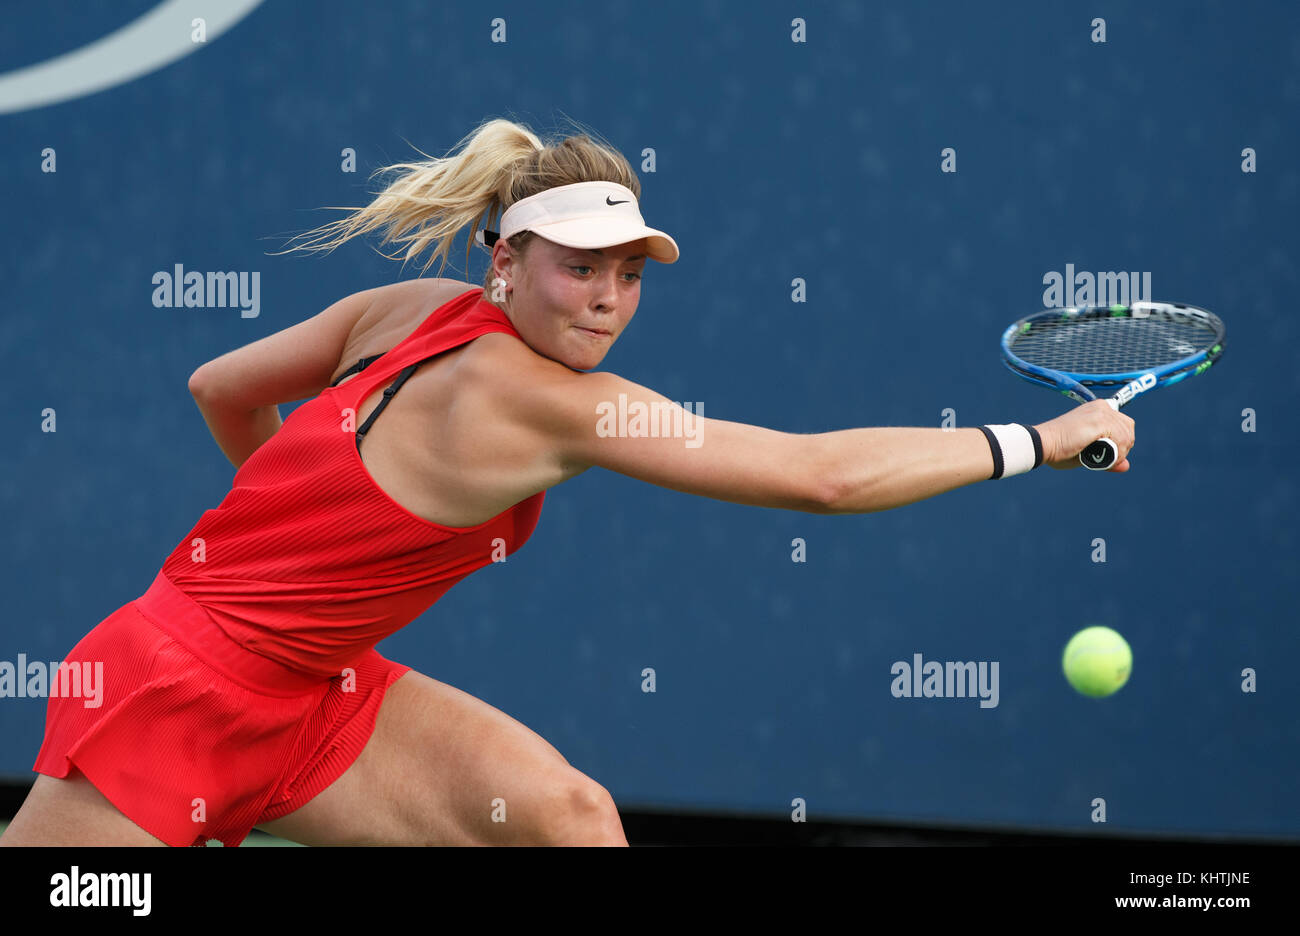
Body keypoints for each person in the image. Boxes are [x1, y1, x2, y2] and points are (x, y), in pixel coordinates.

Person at [0, 117, 1133, 847]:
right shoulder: (558, 404)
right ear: (506, 261)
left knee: (570, 820)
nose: (605, 299)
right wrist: (1039, 439)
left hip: (316, 690)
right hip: (169, 694)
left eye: (627, 274)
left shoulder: (398, 315)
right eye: (579, 269)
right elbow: (819, 479)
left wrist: (308, 547)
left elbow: (219, 389)